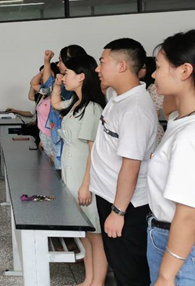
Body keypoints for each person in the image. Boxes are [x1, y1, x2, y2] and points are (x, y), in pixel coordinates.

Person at [90, 38, 158, 286]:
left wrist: (118, 212)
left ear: (121, 66)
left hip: (126, 205)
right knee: (120, 265)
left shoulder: (135, 109)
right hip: (110, 196)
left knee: (129, 271)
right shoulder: (119, 97)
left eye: (102, 62)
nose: (97, 68)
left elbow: (131, 165)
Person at [52, 55, 108, 286]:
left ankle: (98, 281)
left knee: (95, 234)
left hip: (85, 177)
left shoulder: (92, 108)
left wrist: (86, 185)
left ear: (81, 77)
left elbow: (93, 152)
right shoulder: (76, 103)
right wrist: (56, 86)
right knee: (83, 231)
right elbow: (56, 104)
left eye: (67, 74)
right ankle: (89, 278)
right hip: (71, 173)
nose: (63, 77)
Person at [147, 30, 195, 286]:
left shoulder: (189, 135)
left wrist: (166, 276)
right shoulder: (179, 120)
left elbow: (188, 214)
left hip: (179, 246)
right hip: (167, 236)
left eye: (158, 67)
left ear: (185, 70)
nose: (153, 75)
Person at [42, 45, 87, 169]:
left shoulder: (73, 89)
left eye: (60, 60)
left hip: (66, 139)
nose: (58, 64)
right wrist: (46, 61)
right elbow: (48, 85)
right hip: (58, 134)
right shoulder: (64, 83)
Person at [139, 56, 165, 143]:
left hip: (152, 130)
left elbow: (156, 113)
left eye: (142, 67)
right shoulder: (143, 85)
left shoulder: (153, 88)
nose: (138, 69)